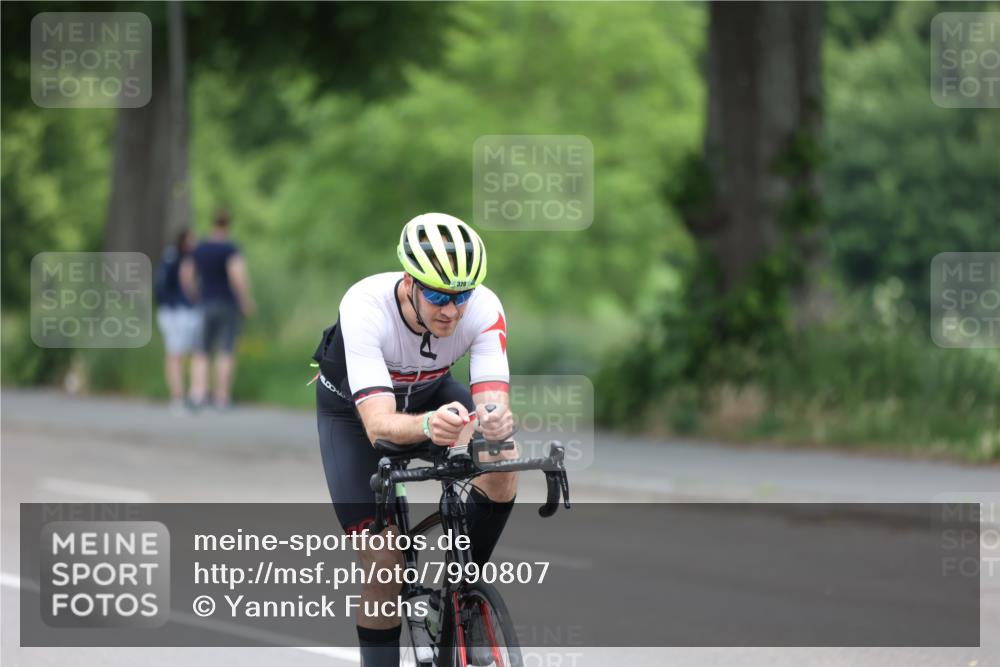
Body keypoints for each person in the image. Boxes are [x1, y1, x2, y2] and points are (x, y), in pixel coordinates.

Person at [313, 213, 517, 666]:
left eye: (461, 296)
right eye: (438, 296)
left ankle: (460, 595)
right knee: (384, 563)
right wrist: (428, 427)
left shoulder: (483, 307)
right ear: (409, 283)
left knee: (503, 456)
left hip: (429, 390)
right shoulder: (365, 306)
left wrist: (494, 422)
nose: (452, 310)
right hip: (353, 415)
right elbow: (378, 424)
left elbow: (491, 404)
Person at [181, 210, 256, 410]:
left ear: (212, 223)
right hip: (227, 304)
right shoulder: (230, 248)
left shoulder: (200, 247)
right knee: (226, 350)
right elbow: (236, 275)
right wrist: (245, 300)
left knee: (201, 350)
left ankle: (198, 393)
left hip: (205, 303)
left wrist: (195, 295)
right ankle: (222, 397)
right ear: (228, 225)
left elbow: (186, 274)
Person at [154, 228, 201, 413]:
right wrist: (196, 297)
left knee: (177, 354)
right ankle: (181, 395)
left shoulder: (169, 256)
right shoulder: (182, 258)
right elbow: (186, 280)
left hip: (170, 311)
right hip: (178, 312)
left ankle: (180, 394)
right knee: (180, 355)